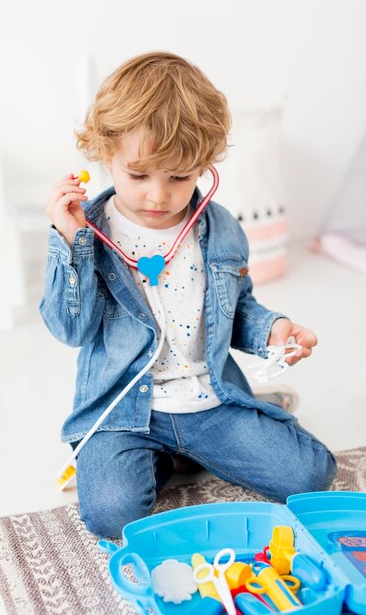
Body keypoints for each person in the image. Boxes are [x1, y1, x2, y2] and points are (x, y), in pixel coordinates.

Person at [40, 51, 336, 538]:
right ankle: (163, 456)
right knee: (113, 515)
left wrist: (274, 331)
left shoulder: (219, 230)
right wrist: (72, 244)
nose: (158, 196)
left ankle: (200, 442)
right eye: (139, 175)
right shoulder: (87, 230)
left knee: (311, 475)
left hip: (208, 402)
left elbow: (236, 309)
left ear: (204, 165)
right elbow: (71, 330)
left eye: (179, 176)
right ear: (103, 153)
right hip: (125, 411)